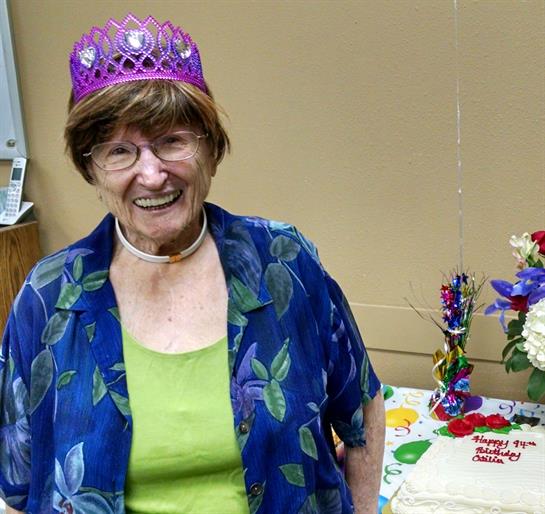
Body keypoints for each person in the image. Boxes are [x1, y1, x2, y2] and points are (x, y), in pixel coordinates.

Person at [0, 13, 385, 514]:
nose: (152, 174)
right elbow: (16, 483)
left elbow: (362, 407)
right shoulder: (49, 296)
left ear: (210, 149)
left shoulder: (283, 262)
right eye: (119, 151)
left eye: (172, 141)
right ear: (90, 169)